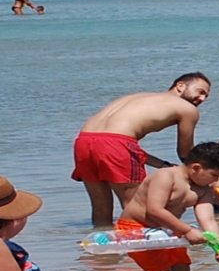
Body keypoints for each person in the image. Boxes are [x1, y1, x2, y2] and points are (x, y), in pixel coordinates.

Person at [71, 72, 211, 226]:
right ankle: (142, 246)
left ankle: (102, 245)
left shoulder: (137, 97)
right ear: (180, 86)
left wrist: (163, 165)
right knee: (136, 205)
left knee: (100, 207)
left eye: (206, 96)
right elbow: (186, 153)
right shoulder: (187, 109)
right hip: (116, 144)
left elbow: (113, 142)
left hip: (83, 141)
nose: (202, 99)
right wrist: (200, 176)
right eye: (201, 91)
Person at [116, 143, 219, 271]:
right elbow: (155, 209)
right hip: (136, 228)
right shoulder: (166, 176)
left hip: (168, 229)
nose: (216, 180)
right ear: (196, 168)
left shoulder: (204, 189)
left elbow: (208, 220)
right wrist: (187, 231)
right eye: (214, 175)